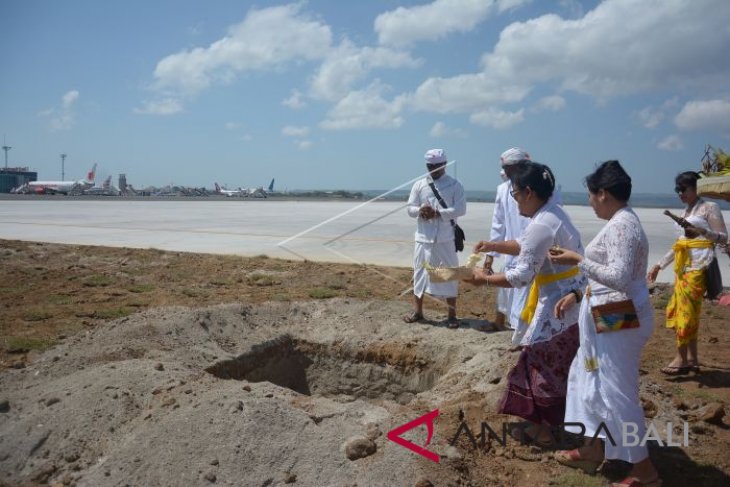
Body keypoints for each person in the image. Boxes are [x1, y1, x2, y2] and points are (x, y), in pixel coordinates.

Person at [550, 160, 661, 487]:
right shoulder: (620, 221)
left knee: (616, 391)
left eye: (590, 194)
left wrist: (577, 261)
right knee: (587, 376)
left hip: (622, 318)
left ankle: (644, 471)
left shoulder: (623, 225)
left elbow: (620, 277)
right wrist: (579, 295)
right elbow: (610, 277)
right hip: (611, 315)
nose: (588, 201)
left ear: (603, 194)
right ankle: (593, 447)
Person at [467, 161, 586, 443]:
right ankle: (552, 424)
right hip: (568, 298)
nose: (515, 200)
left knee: (539, 362)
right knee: (551, 362)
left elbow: (521, 276)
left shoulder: (543, 223)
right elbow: (524, 243)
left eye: (516, 194)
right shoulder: (552, 214)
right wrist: (493, 246)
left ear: (529, 192)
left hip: (559, 303)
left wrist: (483, 279)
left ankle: (544, 429)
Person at [647, 171, 728, 375]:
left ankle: (680, 358)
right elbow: (680, 244)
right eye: (677, 189)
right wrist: (659, 265)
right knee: (686, 313)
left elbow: (723, 238)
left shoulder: (710, 208)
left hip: (700, 266)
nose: (680, 193)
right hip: (683, 268)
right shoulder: (685, 212)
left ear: (695, 188)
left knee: (686, 314)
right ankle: (691, 358)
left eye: (684, 189)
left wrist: (702, 232)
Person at [404, 148, 467, 328]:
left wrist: (438, 213)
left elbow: (461, 209)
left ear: (444, 164)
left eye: (437, 166)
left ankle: (452, 315)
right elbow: (410, 208)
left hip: (445, 238)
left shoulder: (455, 185)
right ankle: (418, 312)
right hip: (423, 238)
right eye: (430, 166)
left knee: (449, 274)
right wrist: (420, 211)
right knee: (419, 274)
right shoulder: (419, 185)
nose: (433, 169)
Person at [483, 148, 531, 337]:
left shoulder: (538, 188)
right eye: (505, 169)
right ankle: (500, 322)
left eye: (509, 169)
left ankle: (523, 335)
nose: (507, 174)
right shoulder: (503, 190)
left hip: (533, 249)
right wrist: (489, 258)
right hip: (509, 249)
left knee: (529, 294)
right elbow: (498, 224)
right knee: (506, 288)